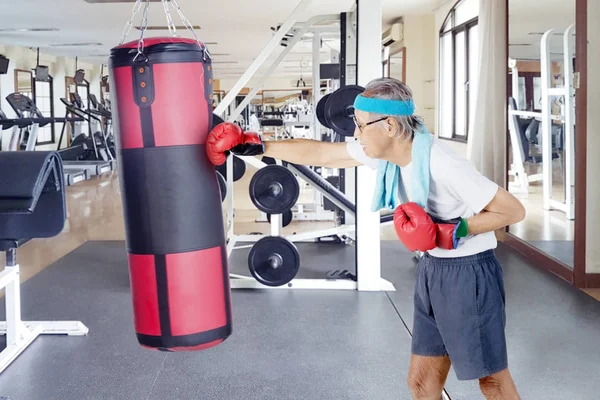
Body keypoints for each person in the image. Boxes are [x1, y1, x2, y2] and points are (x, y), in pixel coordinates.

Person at [206, 77, 525, 400]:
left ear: (389, 125)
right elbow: (324, 154)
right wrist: (258, 144)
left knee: (491, 382)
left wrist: (457, 230)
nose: (356, 134)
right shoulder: (388, 153)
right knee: (421, 383)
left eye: (360, 126)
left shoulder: (444, 164)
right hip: (433, 272)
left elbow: (513, 211)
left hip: (469, 274)